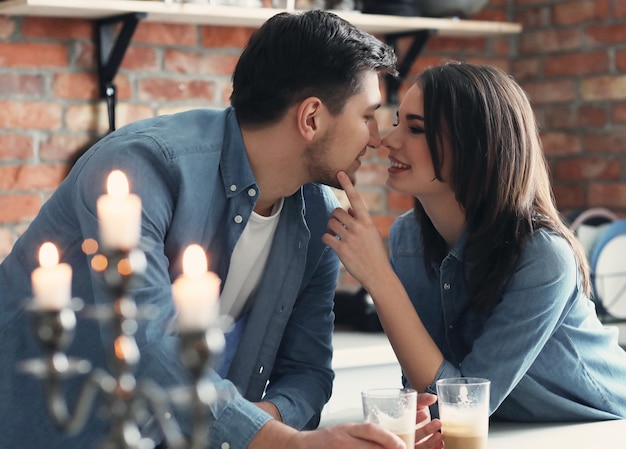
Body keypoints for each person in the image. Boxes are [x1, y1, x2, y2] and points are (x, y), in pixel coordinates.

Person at [0, 10, 444, 449]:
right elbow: (149, 348)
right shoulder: (140, 169)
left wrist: (263, 427)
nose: (377, 138)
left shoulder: (318, 215)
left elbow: (308, 373)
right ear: (311, 118)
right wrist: (282, 442)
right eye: (368, 116)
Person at [324, 61, 626, 422]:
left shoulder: (544, 257)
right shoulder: (409, 238)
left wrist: (378, 277)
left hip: (603, 428)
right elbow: (427, 397)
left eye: (416, 129)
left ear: (474, 146)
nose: (389, 140)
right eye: (397, 123)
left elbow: (460, 407)